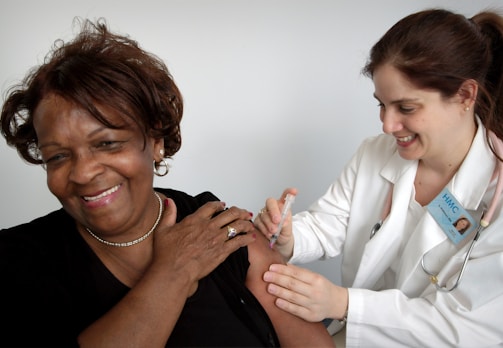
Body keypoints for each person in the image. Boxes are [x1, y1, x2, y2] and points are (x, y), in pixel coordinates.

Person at [0, 18, 335, 347]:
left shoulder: (218, 226)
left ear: (156, 140)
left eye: (107, 143)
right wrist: (173, 272)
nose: (83, 173)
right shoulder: (20, 262)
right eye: (57, 156)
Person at [254, 8, 503, 347]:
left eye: (406, 108)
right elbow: (332, 222)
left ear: (465, 95)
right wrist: (289, 237)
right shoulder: (375, 153)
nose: (387, 125)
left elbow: (463, 329)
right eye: (381, 105)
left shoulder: (497, 195)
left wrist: (344, 304)